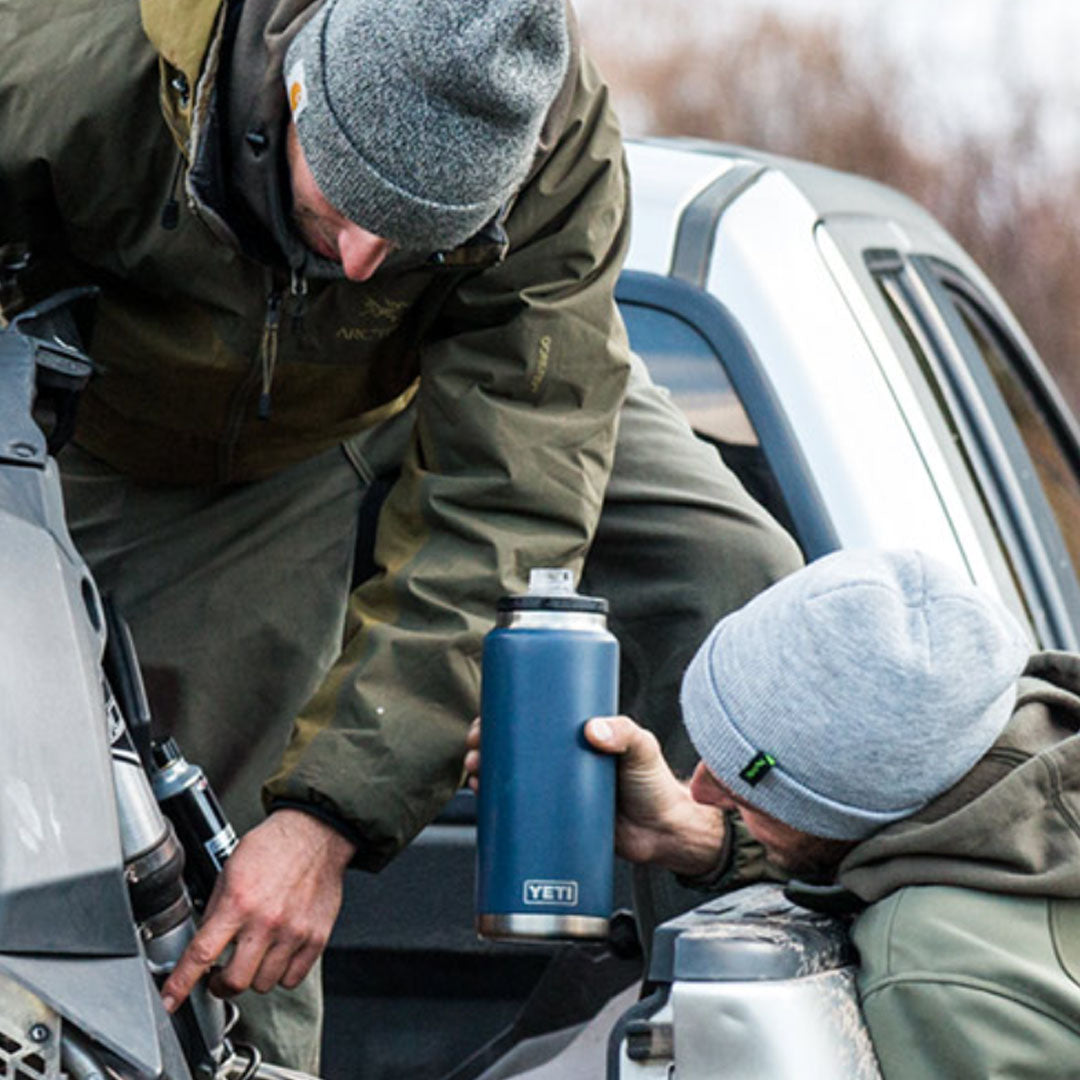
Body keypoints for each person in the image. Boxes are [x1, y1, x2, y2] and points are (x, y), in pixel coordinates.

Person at [0, 0, 802, 1069]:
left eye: (424, 230)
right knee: (207, 861)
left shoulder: (548, 136)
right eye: (347, 205)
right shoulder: (63, 67)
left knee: (730, 582)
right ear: (293, 92)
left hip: (449, 384)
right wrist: (298, 828)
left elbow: (511, 488)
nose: (371, 258)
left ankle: (752, 1015)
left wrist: (334, 818)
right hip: (160, 441)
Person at [539, 548, 1080, 1078]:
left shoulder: (930, 964)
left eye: (749, 786)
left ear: (852, 799)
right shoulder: (1020, 760)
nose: (700, 790)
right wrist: (708, 841)